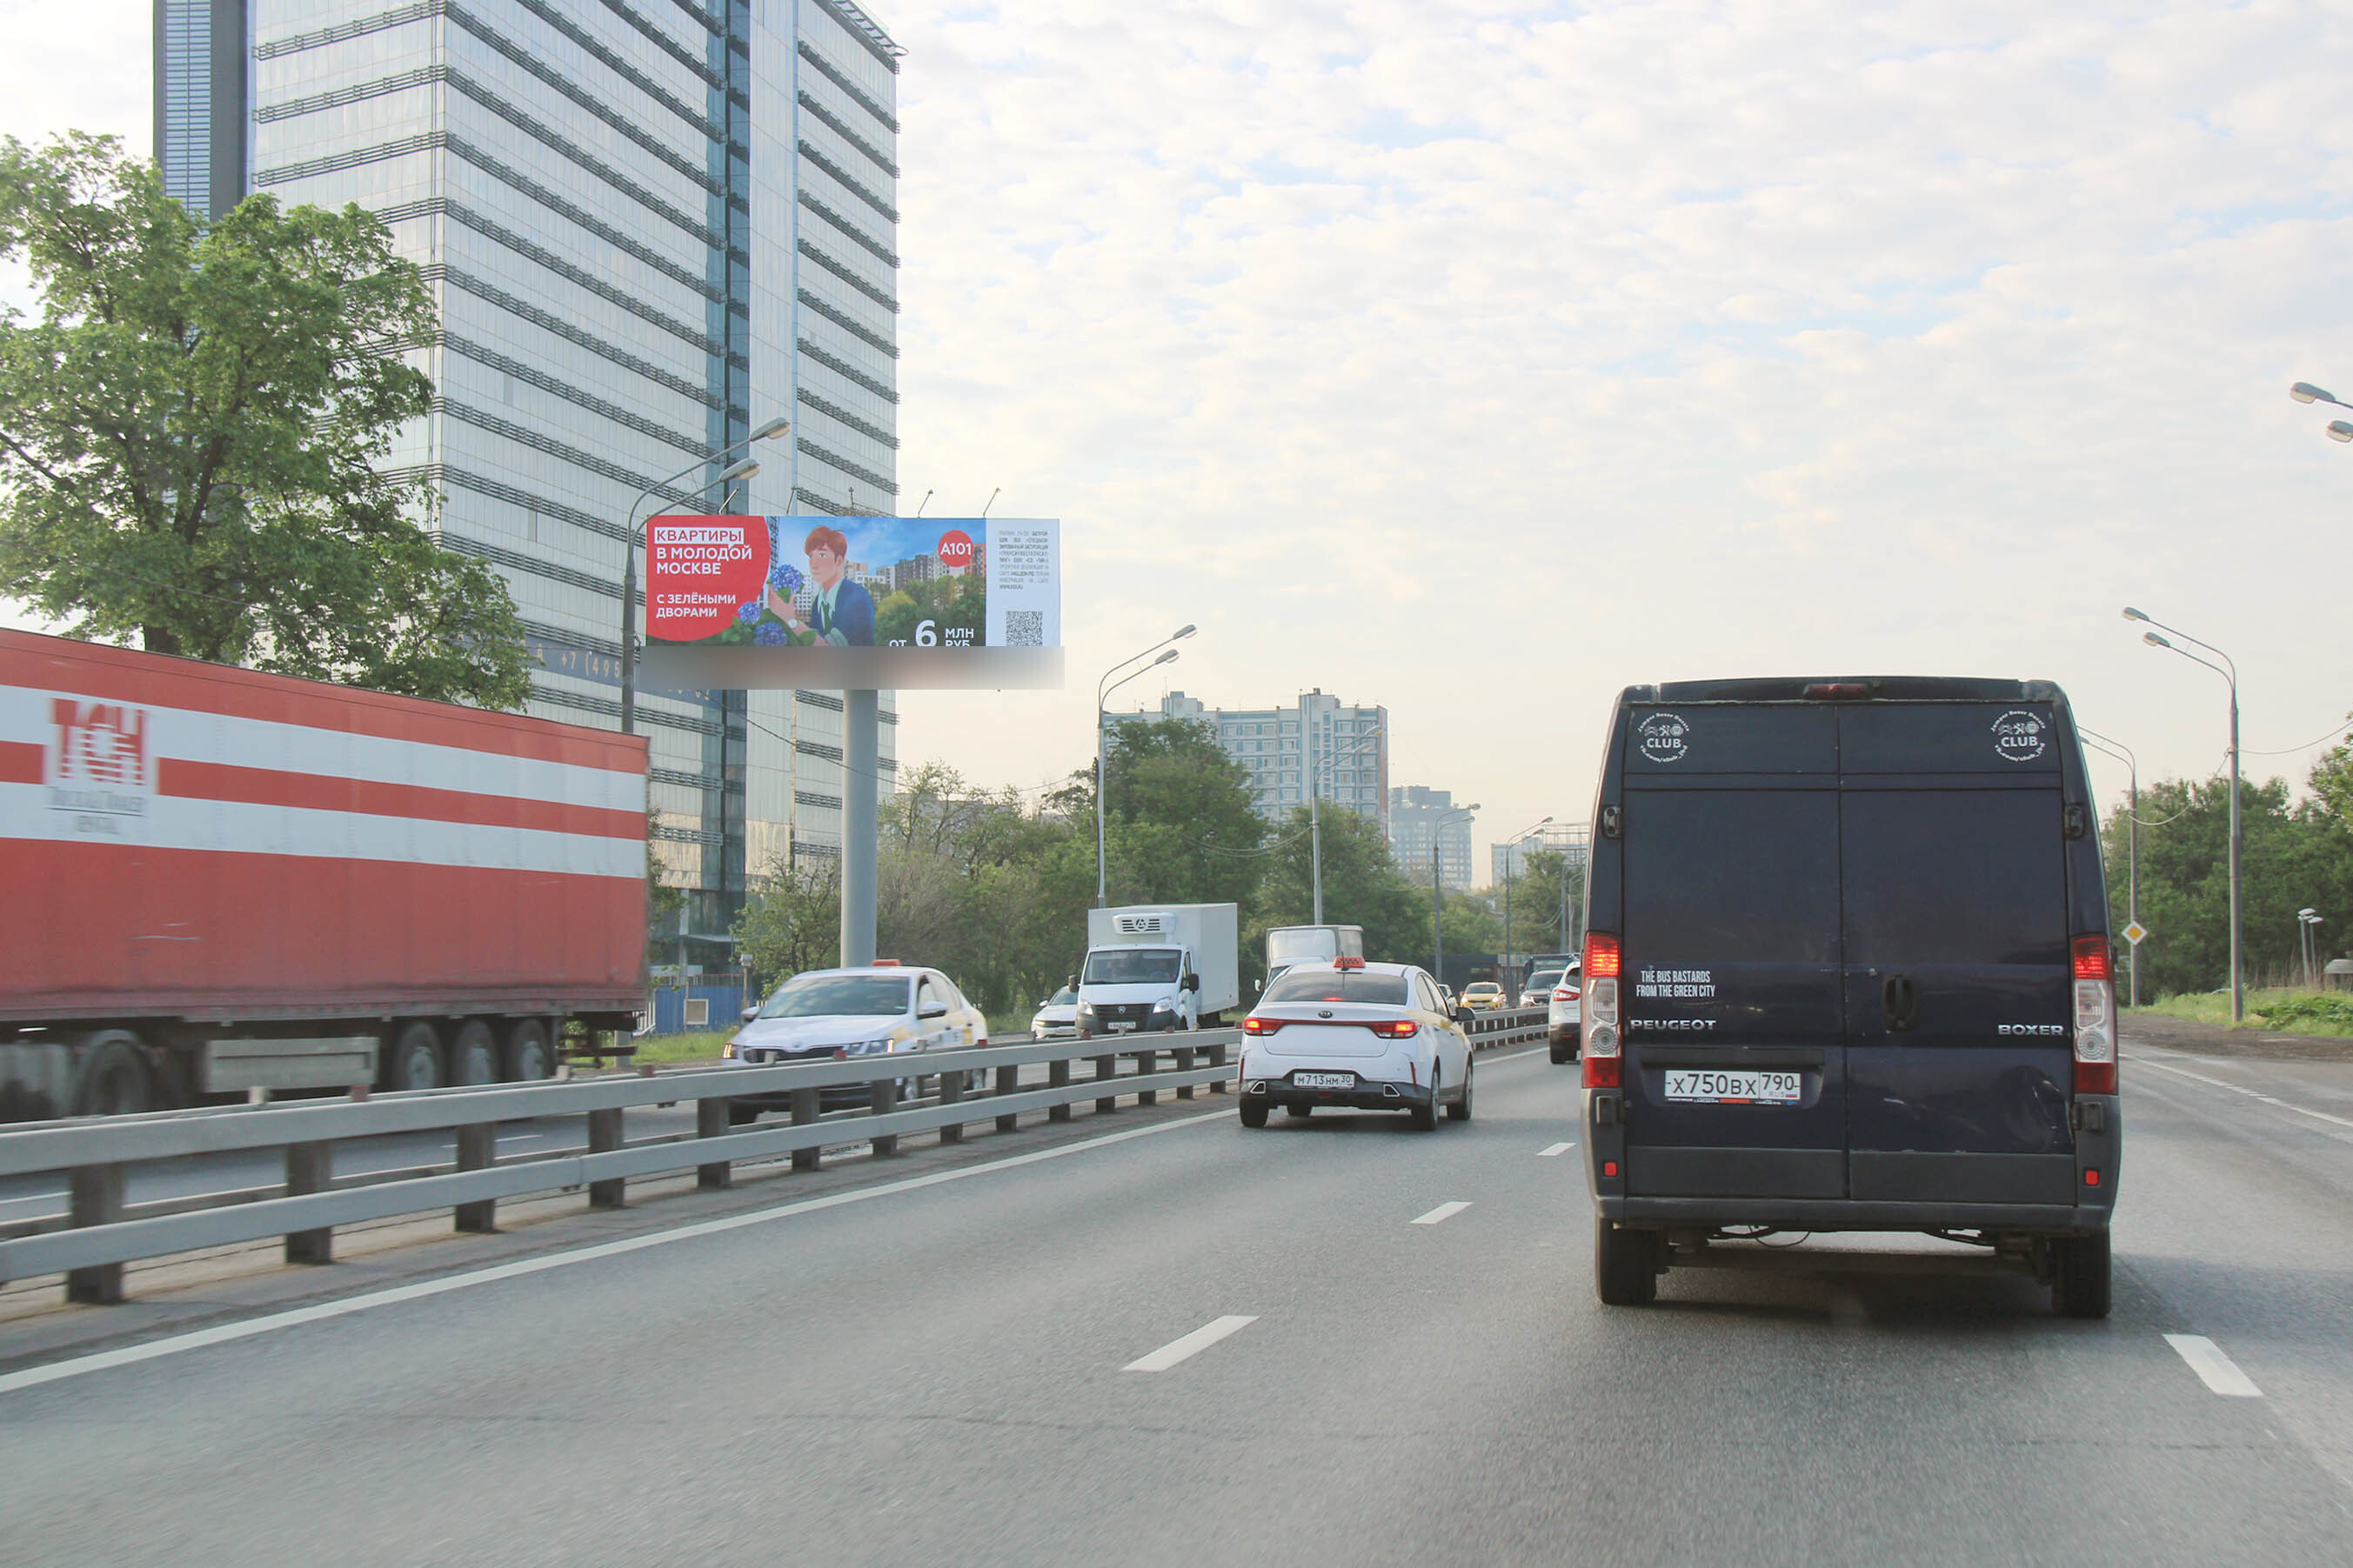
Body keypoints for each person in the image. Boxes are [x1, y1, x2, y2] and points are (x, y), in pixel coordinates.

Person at [769, 524, 874, 646]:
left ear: (839, 561)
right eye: (811, 556)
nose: (814, 563)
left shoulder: (857, 597)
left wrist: (790, 619)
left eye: (822, 555)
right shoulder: (818, 602)